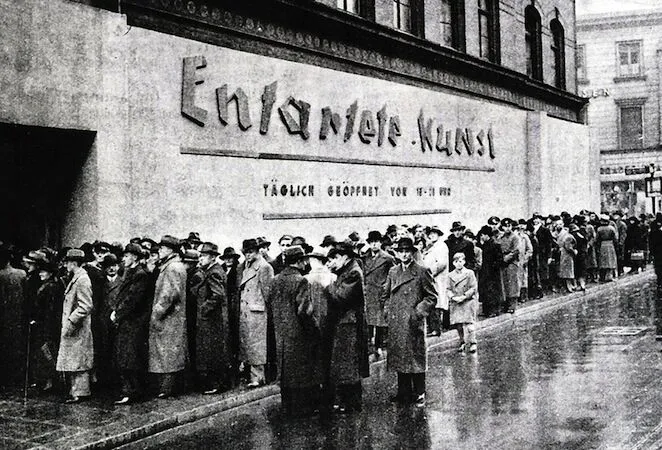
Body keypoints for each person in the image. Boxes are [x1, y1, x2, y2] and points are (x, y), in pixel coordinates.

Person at [382, 238, 437, 407]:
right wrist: (387, 310)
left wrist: (418, 312)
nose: (404, 254)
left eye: (407, 251)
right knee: (400, 356)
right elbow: (385, 294)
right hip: (397, 320)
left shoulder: (421, 271)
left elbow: (431, 296)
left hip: (412, 321)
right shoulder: (393, 271)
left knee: (415, 356)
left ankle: (419, 392)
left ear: (412, 252)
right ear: (397, 253)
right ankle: (403, 392)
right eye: (401, 251)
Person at [269, 245, 319, 417]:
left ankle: (287, 407)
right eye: (304, 260)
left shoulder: (275, 280)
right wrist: (314, 330)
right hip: (299, 333)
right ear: (299, 261)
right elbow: (304, 311)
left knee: (286, 371)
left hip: (281, 333)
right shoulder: (301, 281)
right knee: (302, 371)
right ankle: (303, 409)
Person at [325, 241, 370, 413]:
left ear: (345, 257)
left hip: (349, 324)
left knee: (349, 364)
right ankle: (347, 401)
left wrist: (328, 285)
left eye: (335, 257)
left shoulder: (353, 272)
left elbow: (341, 297)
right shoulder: (346, 271)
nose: (333, 261)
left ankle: (351, 403)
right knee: (345, 364)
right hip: (345, 323)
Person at [111, 243, 151, 404]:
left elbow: (132, 299)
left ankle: (131, 392)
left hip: (134, 322)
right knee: (125, 357)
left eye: (127, 256)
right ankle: (130, 390)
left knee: (129, 358)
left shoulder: (140, 274)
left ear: (134, 257)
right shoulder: (132, 272)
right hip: (128, 321)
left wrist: (118, 313)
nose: (124, 259)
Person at [148, 235, 188, 399]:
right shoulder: (173, 266)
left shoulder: (172, 268)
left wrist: (156, 313)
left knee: (167, 354)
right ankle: (168, 387)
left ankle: (167, 388)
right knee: (169, 353)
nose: (160, 250)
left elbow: (169, 295)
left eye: (163, 248)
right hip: (173, 319)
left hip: (168, 319)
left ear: (171, 250)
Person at [56, 248, 94, 403]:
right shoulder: (77, 278)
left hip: (78, 328)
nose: (65, 265)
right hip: (75, 328)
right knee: (75, 360)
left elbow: (85, 306)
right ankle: (76, 391)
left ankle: (81, 392)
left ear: (73, 263)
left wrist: (71, 320)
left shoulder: (82, 279)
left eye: (67, 262)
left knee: (79, 361)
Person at [238, 238, 274, 388]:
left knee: (257, 346)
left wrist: (267, 309)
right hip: (247, 311)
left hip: (257, 311)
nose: (248, 255)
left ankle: (258, 377)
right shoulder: (247, 267)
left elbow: (268, 292)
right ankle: (251, 375)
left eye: (251, 252)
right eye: (245, 252)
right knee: (248, 344)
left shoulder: (264, 267)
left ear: (258, 251)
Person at [195, 242, 231, 394]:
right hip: (214, 319)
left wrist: (204, 309)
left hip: (213, 320)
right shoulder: (212, 270)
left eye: (203, 256)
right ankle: (217, 384)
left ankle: (217, 385)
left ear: (212, 257)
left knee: (214, 352)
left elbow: (218, 295)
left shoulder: (214, 272)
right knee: (214, 352)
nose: (201, 259)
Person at [30, 256, 64, 393]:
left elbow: (48, 310)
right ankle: (50, 381)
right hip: (47, 324)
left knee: (47, 352)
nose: (40, 274)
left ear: (50, 273)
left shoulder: (50, 287)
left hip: (46, 325)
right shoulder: (52, 285)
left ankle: (50, 381)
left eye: (43, 272)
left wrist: (38, 320)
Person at [362, 230, 395, 356]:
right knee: (369, 320)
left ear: (380, 243)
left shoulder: (387, 258)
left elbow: (394, 274)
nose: (374, 245)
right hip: (368, 292)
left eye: (376, 242)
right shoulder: (365, 258)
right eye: (371, 242)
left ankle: (378, 345)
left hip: (380, 293)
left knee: (380, 321)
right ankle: (370, 344)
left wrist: (387, 287)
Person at [0, 247, 27, 389]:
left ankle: (5, 380)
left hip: (4, 318)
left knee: (4, 349)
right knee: (17, 348)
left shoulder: (1, 275)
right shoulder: (22, 274)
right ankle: (16, 379)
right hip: (18, 316)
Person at [447, 253, 479, 354]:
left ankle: (473, 342)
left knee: (469, 323)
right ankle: (462, 341)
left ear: (464, 262)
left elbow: (473, 287)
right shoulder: (450, 275)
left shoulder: (469, 273)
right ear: (453, 263)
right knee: (459, 324)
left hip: (467, 301)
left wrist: (464, 296)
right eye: (456, 262)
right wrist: (452, 297)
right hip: (456, 301)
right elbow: (447, 289)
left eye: (460, 261)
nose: (458, 264)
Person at [421, 226, 448, 336]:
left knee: (437, 302)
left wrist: (430, 273)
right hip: (431, 278)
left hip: (437, 278)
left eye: (434, 233)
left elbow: (441, 263)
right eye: (430, 234)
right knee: (432, 302)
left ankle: (436, 328)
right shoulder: (431, 247)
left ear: (438, 234)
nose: (431, 235)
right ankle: (433, 327)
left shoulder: (441, 246)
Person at [477, 226, 505, 318]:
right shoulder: (483, 245)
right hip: (485, 272)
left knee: (492, 291)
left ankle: (494, 310)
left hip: (493, 273)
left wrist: (493, 267)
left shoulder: (495, 245)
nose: (481, 237)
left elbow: (499, 259)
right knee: (485, 291)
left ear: (486, 235)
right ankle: (486, 310)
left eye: (482, 235)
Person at [499, 218, 521, 313]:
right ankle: (506, 304)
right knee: (505, 284)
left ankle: (513, 304)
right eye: (505, 226)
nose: (507, 228)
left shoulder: (515, 237)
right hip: (503, 263)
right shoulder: (501, 238)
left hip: (512, 263)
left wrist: (506, 258)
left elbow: (515, 250)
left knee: (512, 283)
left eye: (509, 226)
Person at [557, 221, 577, 293]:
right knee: (568, 271)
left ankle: (569, 286)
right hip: (567, 255)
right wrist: (574, 251)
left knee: (566, 270)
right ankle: (569, 286)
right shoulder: (568, 236)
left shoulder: (564, 236)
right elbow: (568, 247)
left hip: (564, 254)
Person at [596, 215, 618, 282]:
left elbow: (597, 239)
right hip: (610, 245)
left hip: (603, 245)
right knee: (610, 260)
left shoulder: (599, 229)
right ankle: (609, 276)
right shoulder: (611, 228)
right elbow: (615, 238)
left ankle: (602, 277)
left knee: (603, 261)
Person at [613, 211, 627, 276]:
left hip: (619, 242)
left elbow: (623, 234)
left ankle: (620, 270)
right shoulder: (613, 223)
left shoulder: (622, 224)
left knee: (620, 256)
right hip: (614, 242)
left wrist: (621, 242)